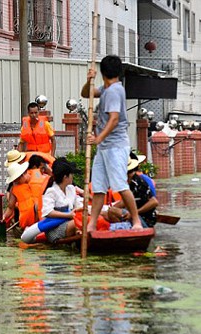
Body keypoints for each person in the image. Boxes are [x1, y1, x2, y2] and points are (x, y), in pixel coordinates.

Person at [81, 55, 142, 232]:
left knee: (120, 186)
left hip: (115, 146)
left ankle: (136, 220)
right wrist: (89, 80)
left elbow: (114, 119)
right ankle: (92, 224)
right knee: (99, 187)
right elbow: (86, 93)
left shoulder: (114, 91)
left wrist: (97, 138)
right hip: (104, 147)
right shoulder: (106, 89)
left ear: (103, 72)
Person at [39, 158, 84, 243]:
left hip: (70, 222)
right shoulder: (51, 191)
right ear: (65, 177)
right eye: (71, 174)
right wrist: (69, 215)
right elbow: (48, 212)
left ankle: (78, 231)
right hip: (55, 228)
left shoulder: (71, 189)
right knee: (79, 222)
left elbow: (78, 205)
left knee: (86, 219)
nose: (72, 177)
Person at [110, 154, 158, 227]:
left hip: (144, 219)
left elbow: (154, 202)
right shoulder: (128, 183)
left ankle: (126, 229)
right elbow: (124, 202)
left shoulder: (138, 183)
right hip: (135, 214)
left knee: (112, 211)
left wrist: (134, 213)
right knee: (108, 212)